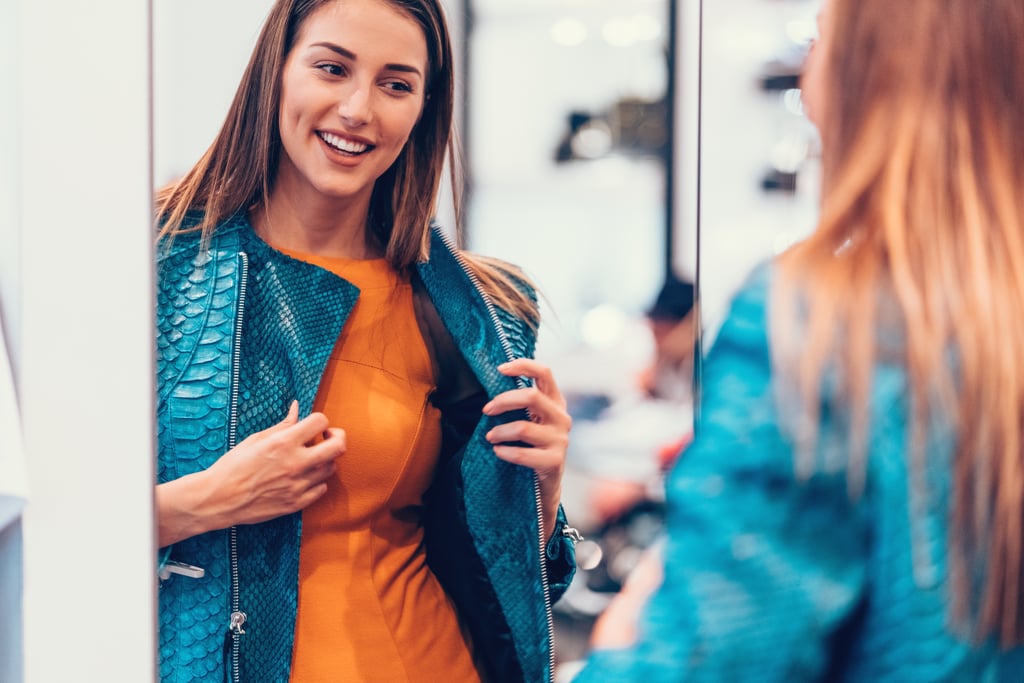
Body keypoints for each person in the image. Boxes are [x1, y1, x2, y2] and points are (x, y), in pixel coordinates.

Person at [573, 0, 1024, 680]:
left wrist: (613, 651)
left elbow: (716, 659)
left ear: (861, 77)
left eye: (818, 44)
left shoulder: (814, 324)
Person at [153, 1, 578, 681]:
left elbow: (526, 594)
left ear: (422, 109)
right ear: (277, 70)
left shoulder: (479, 308)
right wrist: (206, 499)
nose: (358, 109)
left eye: (396, 84)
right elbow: (47, 529)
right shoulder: (157, 270)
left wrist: (543, 488)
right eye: (332, 68)